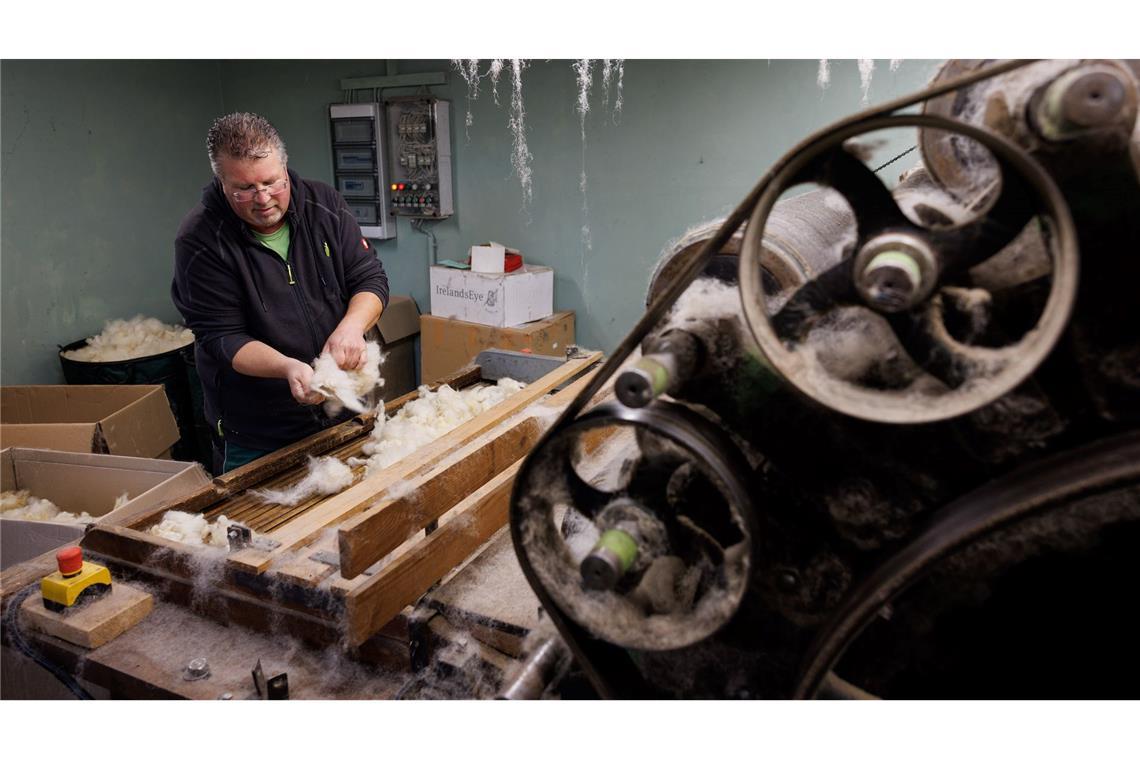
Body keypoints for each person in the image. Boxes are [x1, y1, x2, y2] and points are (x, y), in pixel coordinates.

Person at [172, 112, 389, 475]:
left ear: (285, 167)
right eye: (244, 189)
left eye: (272, 182)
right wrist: (287, 367)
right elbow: (222, 337)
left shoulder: (325, 205)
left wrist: (351, 327)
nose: (263, 199)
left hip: (343, 409)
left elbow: (370, 279)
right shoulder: (200, 240)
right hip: (257, 434)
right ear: (221, 181)